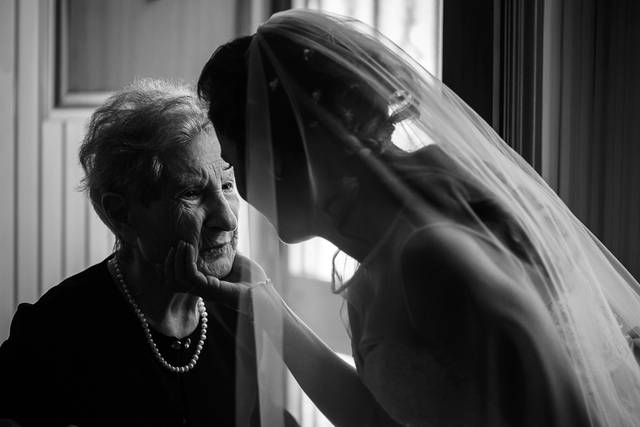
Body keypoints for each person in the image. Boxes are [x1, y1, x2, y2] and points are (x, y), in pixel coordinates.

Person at [196, 9, 640, 427]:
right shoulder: (376, 262)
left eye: (234, 167)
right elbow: (379, 420)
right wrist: (263, 303)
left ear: (278, 159)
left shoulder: (433, 258)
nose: (235, 200)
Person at [0, 79, 282, 426]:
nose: (226, 217)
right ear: (122, 215)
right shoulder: (53, 333)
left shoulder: (240, 311)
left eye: (226, 185)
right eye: (192, 192)